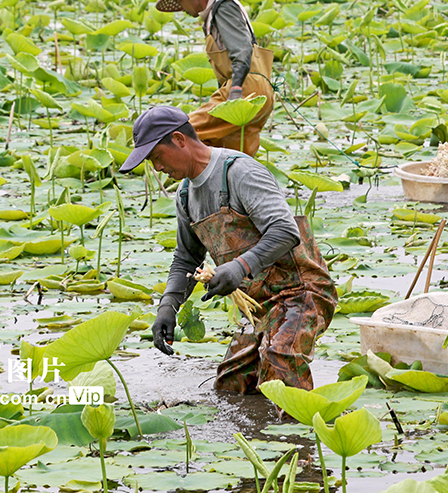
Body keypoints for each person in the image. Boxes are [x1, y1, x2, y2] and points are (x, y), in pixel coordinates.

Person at [119, 105, 337, 393]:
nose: (158, 167)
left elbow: (286, 231)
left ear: (180, 140)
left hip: (301, 292)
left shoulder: (239, 172)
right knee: (231, 384)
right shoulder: (185, 196)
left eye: (158, 156)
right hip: (257, 306)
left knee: (281, 360)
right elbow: (186, 259)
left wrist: (239, 267)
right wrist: (168, 306)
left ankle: (302, 435)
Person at [155, 0, 274, 157]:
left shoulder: (223, 7)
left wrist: (235, 91)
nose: (183, 10)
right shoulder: (213, 16)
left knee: (180, 133)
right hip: (260, 90)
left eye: (181, 1)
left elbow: (241, 50)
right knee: (232, 153)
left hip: (246, 89)